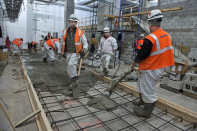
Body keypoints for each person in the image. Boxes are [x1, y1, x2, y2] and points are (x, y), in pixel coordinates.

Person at [129, 9, 174, 118]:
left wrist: (132, 65)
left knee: (148, 90)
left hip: (150, 68)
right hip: (159, 67)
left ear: (150, 23)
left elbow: (141, 55)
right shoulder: (166, 35)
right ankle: (142, 100)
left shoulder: (151, 38)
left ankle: (146, 112)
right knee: (141, 85)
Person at [62, 14, 88, 89]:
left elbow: (85, 42)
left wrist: (85, 49)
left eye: (75, 22)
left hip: (76, 53)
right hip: (67, 53)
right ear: (69, 22)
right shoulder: (64, 32)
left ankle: (74, 81)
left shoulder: (80, 32)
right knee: (69, 68)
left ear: (76, 23)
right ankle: (74, 79)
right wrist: (60, 52)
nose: (73, 23)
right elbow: (61, 43)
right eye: (72, 22)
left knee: (71, 65)